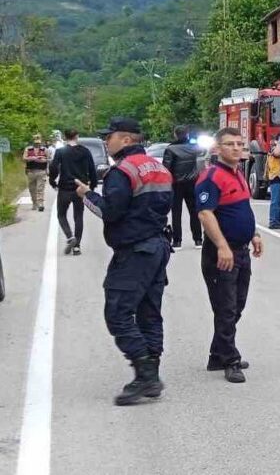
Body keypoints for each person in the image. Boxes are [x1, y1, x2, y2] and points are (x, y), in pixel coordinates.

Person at [75, 117, 173, 406]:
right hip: (158, 246)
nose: (107, 142)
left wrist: (86, 195)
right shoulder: (158, 167)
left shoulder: (122, 171)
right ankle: (151, 372)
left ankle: (144, 374)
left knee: (117, 313)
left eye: (110, 137)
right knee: (149, 312)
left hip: (134, 251)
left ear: (126, 140)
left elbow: (110, 212)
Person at [194, 127, 263, 384]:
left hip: (241, 250)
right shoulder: (211, 177)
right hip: (222, 253)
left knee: (237, 306)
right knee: (226, 307)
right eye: (230, 144)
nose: (236, 148)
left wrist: (254, 234)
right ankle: (230, 360)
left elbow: (242, 209)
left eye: (239, 144)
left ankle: (217, 354)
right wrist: (222, 245)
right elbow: (205, 214)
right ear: (217, 149)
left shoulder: (239, 175)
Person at [48, 129, 97, 256]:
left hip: (65, 187)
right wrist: (93, 185)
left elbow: (53, 168)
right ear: (77, 136)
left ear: (65, 137)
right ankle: (77, 247)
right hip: (80, 188)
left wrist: (52, 181)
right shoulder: (85, 151)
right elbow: (92, 169)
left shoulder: (61, 152)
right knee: (78, 216)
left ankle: (70, 236)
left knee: (61, 214)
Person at [163, 125, 206, 249]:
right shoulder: (194, 148)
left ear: (175, 135)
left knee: (176, 213)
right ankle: (198, 240)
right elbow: (203, 160)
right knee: (194, 211)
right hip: (192, 183)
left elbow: (166, 168)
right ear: (187, 134)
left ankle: (177, 241)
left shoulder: (170, 149)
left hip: (176, 184)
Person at [22, 133, 50, 212]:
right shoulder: (28, 149)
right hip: (31, 171)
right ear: (33, 142)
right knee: (32, 189)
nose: (37, 144)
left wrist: (43, 160)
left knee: (40, 188)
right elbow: (24, 158)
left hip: (41, 171)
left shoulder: (45, 150)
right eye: (36, 142)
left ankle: (40, 204)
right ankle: (34, 203)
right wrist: (32, 158)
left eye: (38, 142)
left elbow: (49, 159)